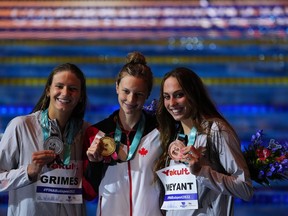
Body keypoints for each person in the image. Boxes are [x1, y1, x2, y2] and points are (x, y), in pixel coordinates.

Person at [154, 67, 254, 216]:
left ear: (193, 94)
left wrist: (202, 172)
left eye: (179, 95)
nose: (172, 103)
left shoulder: (216, 130)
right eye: (167, 97)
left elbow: (245, 188)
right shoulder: (175, 136)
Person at [0, 63, 90, 216]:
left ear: (81, 95)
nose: (65, 93)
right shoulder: (22, 126)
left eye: (73, 89)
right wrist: (28, 172)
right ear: (48, 90)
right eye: (59, 86)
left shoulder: (87, 132)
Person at [83, 51, 162, 216]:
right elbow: (89, 192)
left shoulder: (161, 131)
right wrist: (95, 163)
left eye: (139, 94)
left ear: (147, 94)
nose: (131, 99)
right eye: (126, 91)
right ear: (117, 87)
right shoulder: (97, 133)